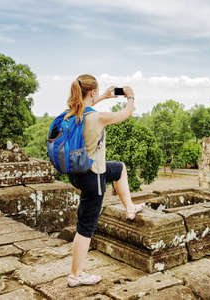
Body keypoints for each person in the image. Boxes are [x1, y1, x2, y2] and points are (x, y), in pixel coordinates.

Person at [65, 74, 146, 288]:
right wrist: (130, 96)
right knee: (85, 228)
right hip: (94, 178)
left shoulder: (70, 114)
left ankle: (130, 207)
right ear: (90, 92)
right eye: (95, 92)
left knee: (119, 169)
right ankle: (76, 275)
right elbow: (127, 114)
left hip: (77, 173)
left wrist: (102, 96)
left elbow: (85, 106)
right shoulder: (98, 118)